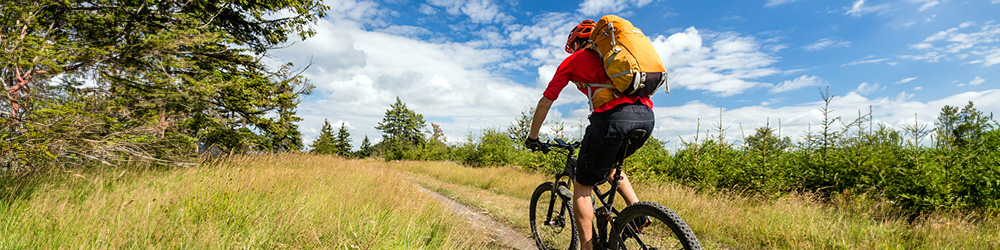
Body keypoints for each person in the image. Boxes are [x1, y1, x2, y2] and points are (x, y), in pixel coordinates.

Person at [525, 19, 655, 250]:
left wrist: (532, 137)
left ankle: (587, 248)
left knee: (582, 185)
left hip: (611, 120)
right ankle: (638, 212)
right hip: (645, 116)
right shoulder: (617, 56)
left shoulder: (574, 60)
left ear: (576, 43)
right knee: (611, 166)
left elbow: (546, 101)